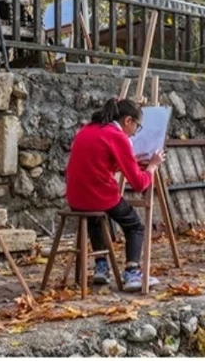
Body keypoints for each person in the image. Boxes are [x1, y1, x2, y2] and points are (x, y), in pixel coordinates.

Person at [65, 98, 165, 292]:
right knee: (135, 226)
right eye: (137, 126)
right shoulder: (117, 136)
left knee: (96, 221)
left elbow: (99, 161)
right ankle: (132, 272)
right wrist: (152, 167)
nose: (136, 132)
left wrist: (127, 160)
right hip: (99, 195)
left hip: (76, 198)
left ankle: (101, 266)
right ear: (128, 120)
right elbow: (138, 183)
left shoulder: (87, 129)